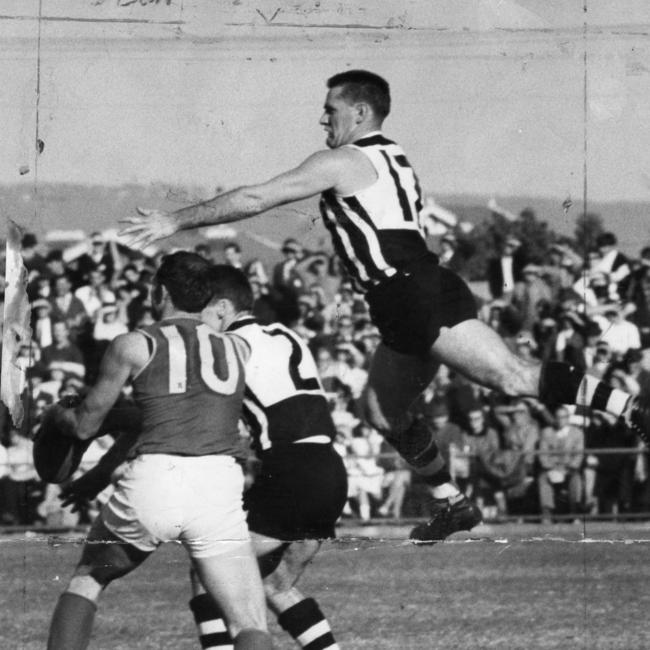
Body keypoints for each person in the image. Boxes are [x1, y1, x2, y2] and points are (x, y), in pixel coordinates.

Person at [120, 69, 650, 543]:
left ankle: (632, 410)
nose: (321, 119)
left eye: (329, 109)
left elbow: (259, 198)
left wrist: (175, 222)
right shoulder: (392, 155)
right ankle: (453, 504)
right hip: (412, 289)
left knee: (509, 377)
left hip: (408, 291)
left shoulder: (345, 159)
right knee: (382, 409)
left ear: (359, 112)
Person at [63, 264, 346, 650]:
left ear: (223, 308)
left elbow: (160, 416)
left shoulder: (222, 345)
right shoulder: (281, 335)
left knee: (192, 576)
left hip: (281, 469)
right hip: (328, 466)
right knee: (271, 589)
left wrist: (86, 434)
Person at [46, 252, 272, 650]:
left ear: (160, 292)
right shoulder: (238, 347)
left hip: (156, 478)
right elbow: (182, 404)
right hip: (218, 484)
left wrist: (54, 417)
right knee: (249, 622)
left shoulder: (134, 343)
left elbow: (85, 424)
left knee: (89, 578)